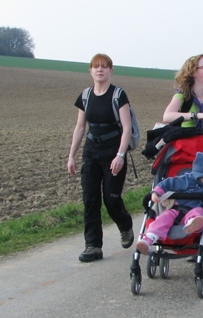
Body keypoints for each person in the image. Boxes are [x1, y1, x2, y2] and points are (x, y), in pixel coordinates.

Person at [67, 53, 134, 263]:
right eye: (96, 67)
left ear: (111, 70)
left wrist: (120, 155)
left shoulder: (118, 95)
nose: (100, 70)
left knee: (111, 199)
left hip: (114, 151)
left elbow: (127, 128)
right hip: (91, 152)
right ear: (90, 70)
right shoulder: (85, 96)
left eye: (104, 67)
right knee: (90, 199)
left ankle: (125, 225)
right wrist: (71, 156)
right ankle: (93, 246)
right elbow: (80, 128)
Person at [135, 152, 203, 254]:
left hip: (193, 212)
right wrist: (156, 192)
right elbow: (167, 183)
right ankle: (149, 239)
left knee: (199, 211)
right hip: (176, 210)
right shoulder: (186, 180)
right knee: (162, 219)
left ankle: (192, 224)